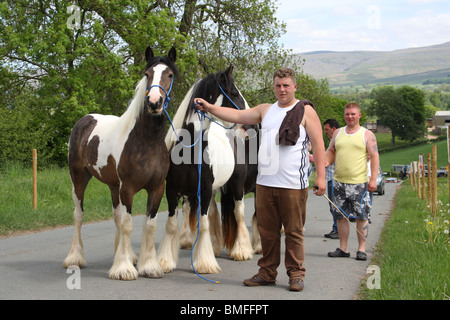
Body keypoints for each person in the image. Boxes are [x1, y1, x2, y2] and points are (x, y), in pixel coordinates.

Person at [194, 68, 326, 292]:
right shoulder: (266, 110)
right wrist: (209, 107)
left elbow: (319, 144)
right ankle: (267, 272)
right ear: (274, 87)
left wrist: (321, 176)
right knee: (267, 231)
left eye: (286, 85)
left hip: (293, 184)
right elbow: (236, 115)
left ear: (295, 87)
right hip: (265, 183)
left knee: (294, 232)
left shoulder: (305, 112)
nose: (282, 89)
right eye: (278, 85)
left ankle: (296, 274)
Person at [325, 103, 379, 261]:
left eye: (353, 114)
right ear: (344, 115)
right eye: (347, 114)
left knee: (362, 216)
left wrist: (373, 179)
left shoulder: (367, 134)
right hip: (339, 183)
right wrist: (325, 162)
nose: (350, 117)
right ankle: (343, 248)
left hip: (360, 183)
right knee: (340, 216)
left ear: (359, 115)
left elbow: (374, 157)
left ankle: (361, 249)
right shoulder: (338, 133)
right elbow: (331, 151)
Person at [322, 119, 340, 239]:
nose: (325, 132)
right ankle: (336, 228)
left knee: (335, 205)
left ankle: (337, 230)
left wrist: (317, 159)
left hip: (334, 178)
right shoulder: (332, 141)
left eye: (327, 129)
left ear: (333, 129)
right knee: (332, 205)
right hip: (329, 178)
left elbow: (329, 159)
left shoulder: (337, 141)